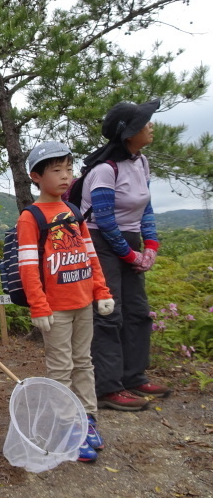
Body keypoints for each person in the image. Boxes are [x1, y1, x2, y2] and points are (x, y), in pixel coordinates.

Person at [19, 142, 115, 463]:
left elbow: (90, 255)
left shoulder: (73, 211)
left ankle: (87, 418)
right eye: (56, 170)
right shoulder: (30, 217)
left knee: (84, 361)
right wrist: (39, 305)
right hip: (55, 308)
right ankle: (65, 426)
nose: (66, 176)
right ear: (36, 176)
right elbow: (29, 266)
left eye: (69, 169)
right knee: (61, 368)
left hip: (83, 302)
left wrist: (101, 292)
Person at [80, 99, 170, 410]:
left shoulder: (141, 163)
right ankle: (107, 387)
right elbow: (103, 220)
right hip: (99, 243)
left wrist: (151, 244)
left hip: (127, 240)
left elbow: (146, 207)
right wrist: (131, 256)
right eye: (145, 122)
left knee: (137, 311)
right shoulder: (105, 170)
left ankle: (134, 375)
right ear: (128, 134)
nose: (151, 125)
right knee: (108, 313)